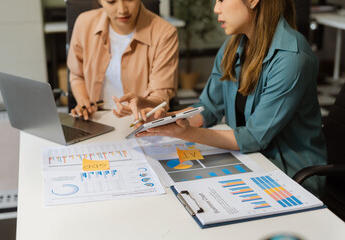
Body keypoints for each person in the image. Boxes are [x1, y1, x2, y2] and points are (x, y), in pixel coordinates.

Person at [137, 0, 326, 196]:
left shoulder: (291, 57)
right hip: (250, 160)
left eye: (221, 0)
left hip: (291, 177)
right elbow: (207, 108)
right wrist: (166, 119)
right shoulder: (234, 44)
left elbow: (254, 138)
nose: (216, 8)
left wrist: (184, 133)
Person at [67, 0, 178, 120]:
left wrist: (142, 102)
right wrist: (83, 103)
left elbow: (160, 95)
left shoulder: (165, 33)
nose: (122, 10)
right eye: (111, 1)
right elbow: (77, 75)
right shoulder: (84, 23)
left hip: (140, 120)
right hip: (95, 119)